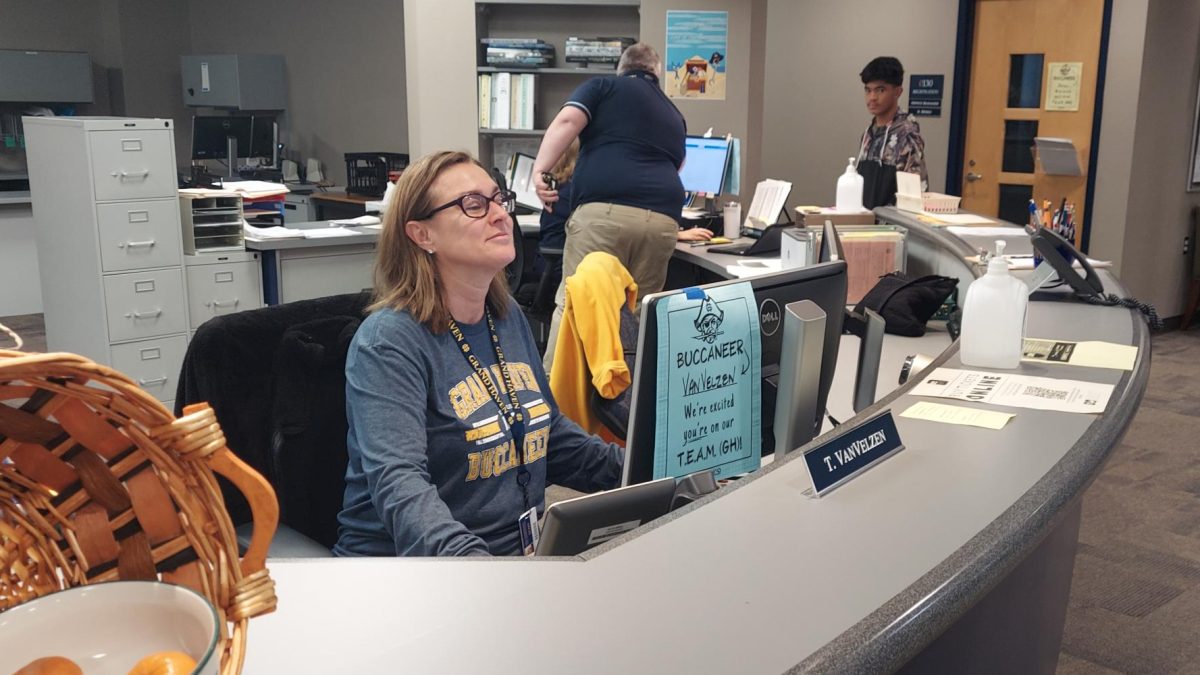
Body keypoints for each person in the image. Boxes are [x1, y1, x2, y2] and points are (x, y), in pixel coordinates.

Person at [334, 150, 623, 557]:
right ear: (422, 235)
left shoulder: (506, 318)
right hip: (409, 575)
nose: (499, 214)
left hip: (515, 563)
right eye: (473, 204)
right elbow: (401, 485)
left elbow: (550, 437)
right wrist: (480, 570)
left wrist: (647, 470)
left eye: (498, 199)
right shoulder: (388, 343)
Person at [532, 42, 692, 372]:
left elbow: (567, 123)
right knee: (635, 316)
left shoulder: (603, 86)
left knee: (577, 304)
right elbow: (676, 166)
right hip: (662, 222)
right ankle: (624, 410)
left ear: (622, 67)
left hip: (604, 213)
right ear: (656, 73)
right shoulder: (674, 114)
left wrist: (540, 171)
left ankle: (556, 406)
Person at [856, 56, 928, 209]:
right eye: (868, 90)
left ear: (897, 92)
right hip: (863, 225)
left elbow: (914, 197)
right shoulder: (868, 134)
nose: (872, 98)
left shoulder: (906, 135)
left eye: (880, 90)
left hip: (891, 228)